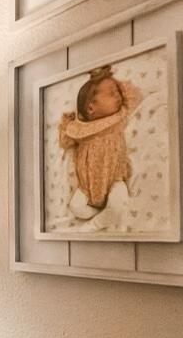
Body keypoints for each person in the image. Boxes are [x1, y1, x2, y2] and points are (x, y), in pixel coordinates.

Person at [58, 65, 141, 230]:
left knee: (119, 205)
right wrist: (65, 123)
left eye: (117, 91)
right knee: (76, 207)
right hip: (87, 187)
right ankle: (98, 212)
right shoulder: (81, 129)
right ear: (90, 107)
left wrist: (110, 80)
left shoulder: (118, 118)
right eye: (111, 93)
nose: (117, 94)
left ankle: (95, 224)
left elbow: (134, 95)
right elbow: (65, 142)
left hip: (114, 180)